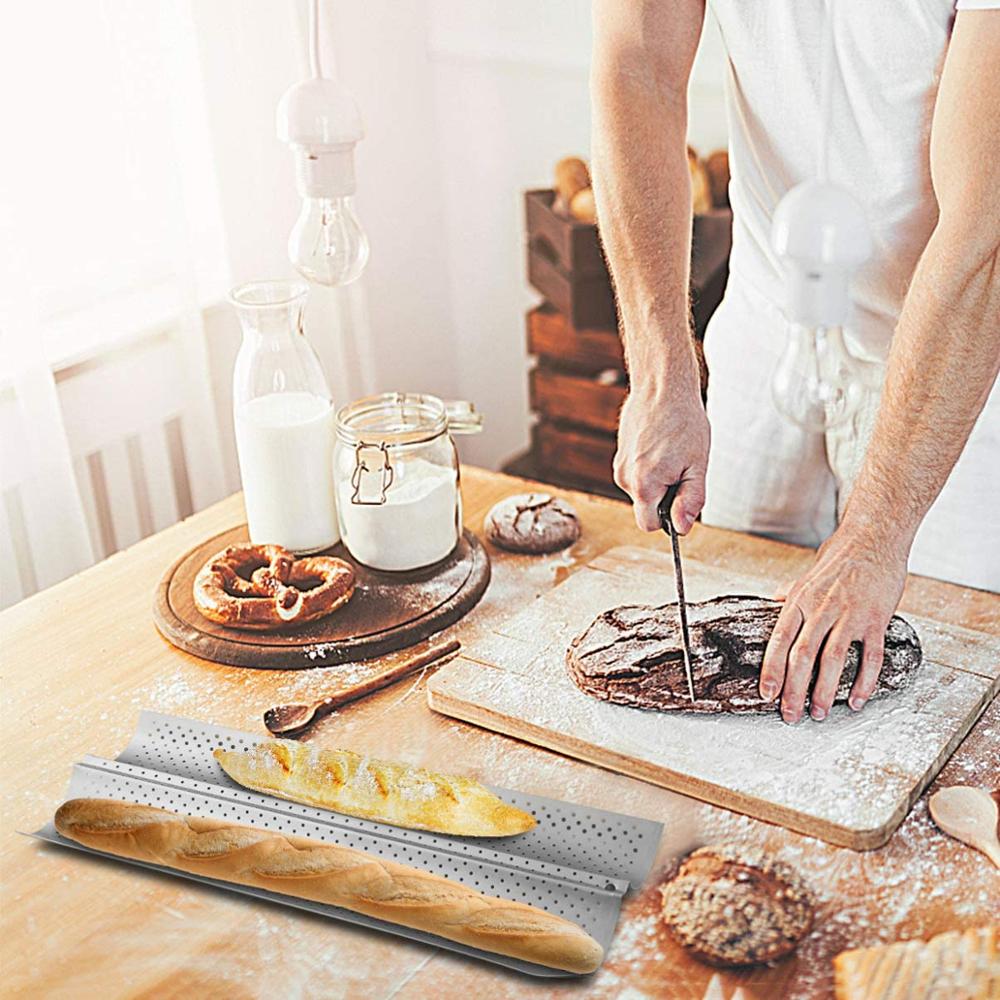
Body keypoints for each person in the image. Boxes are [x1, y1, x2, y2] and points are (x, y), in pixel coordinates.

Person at [590, 1, 1000, 723]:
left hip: (956, 358)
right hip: (766, 322)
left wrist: (877, 534)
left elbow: (982, 232)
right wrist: (661, 370)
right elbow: (638, 66)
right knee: (723, 669)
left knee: (937, 698)